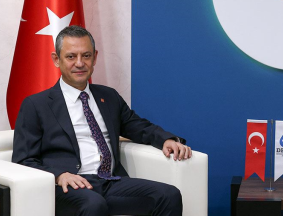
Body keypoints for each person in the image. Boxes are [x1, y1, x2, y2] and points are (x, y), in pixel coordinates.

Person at [12, 25, 190, 216]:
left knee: (168, 195)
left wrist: (166, 140)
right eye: (71, 56)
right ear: (56, 59)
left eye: (86, 56)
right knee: (94, 205)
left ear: (95, 57)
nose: (79, 63)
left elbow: (138, 126)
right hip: (68, 186)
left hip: (110, 181)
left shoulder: (109, 96)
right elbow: (24, 160)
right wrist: (59, 176)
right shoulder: (36, 105)